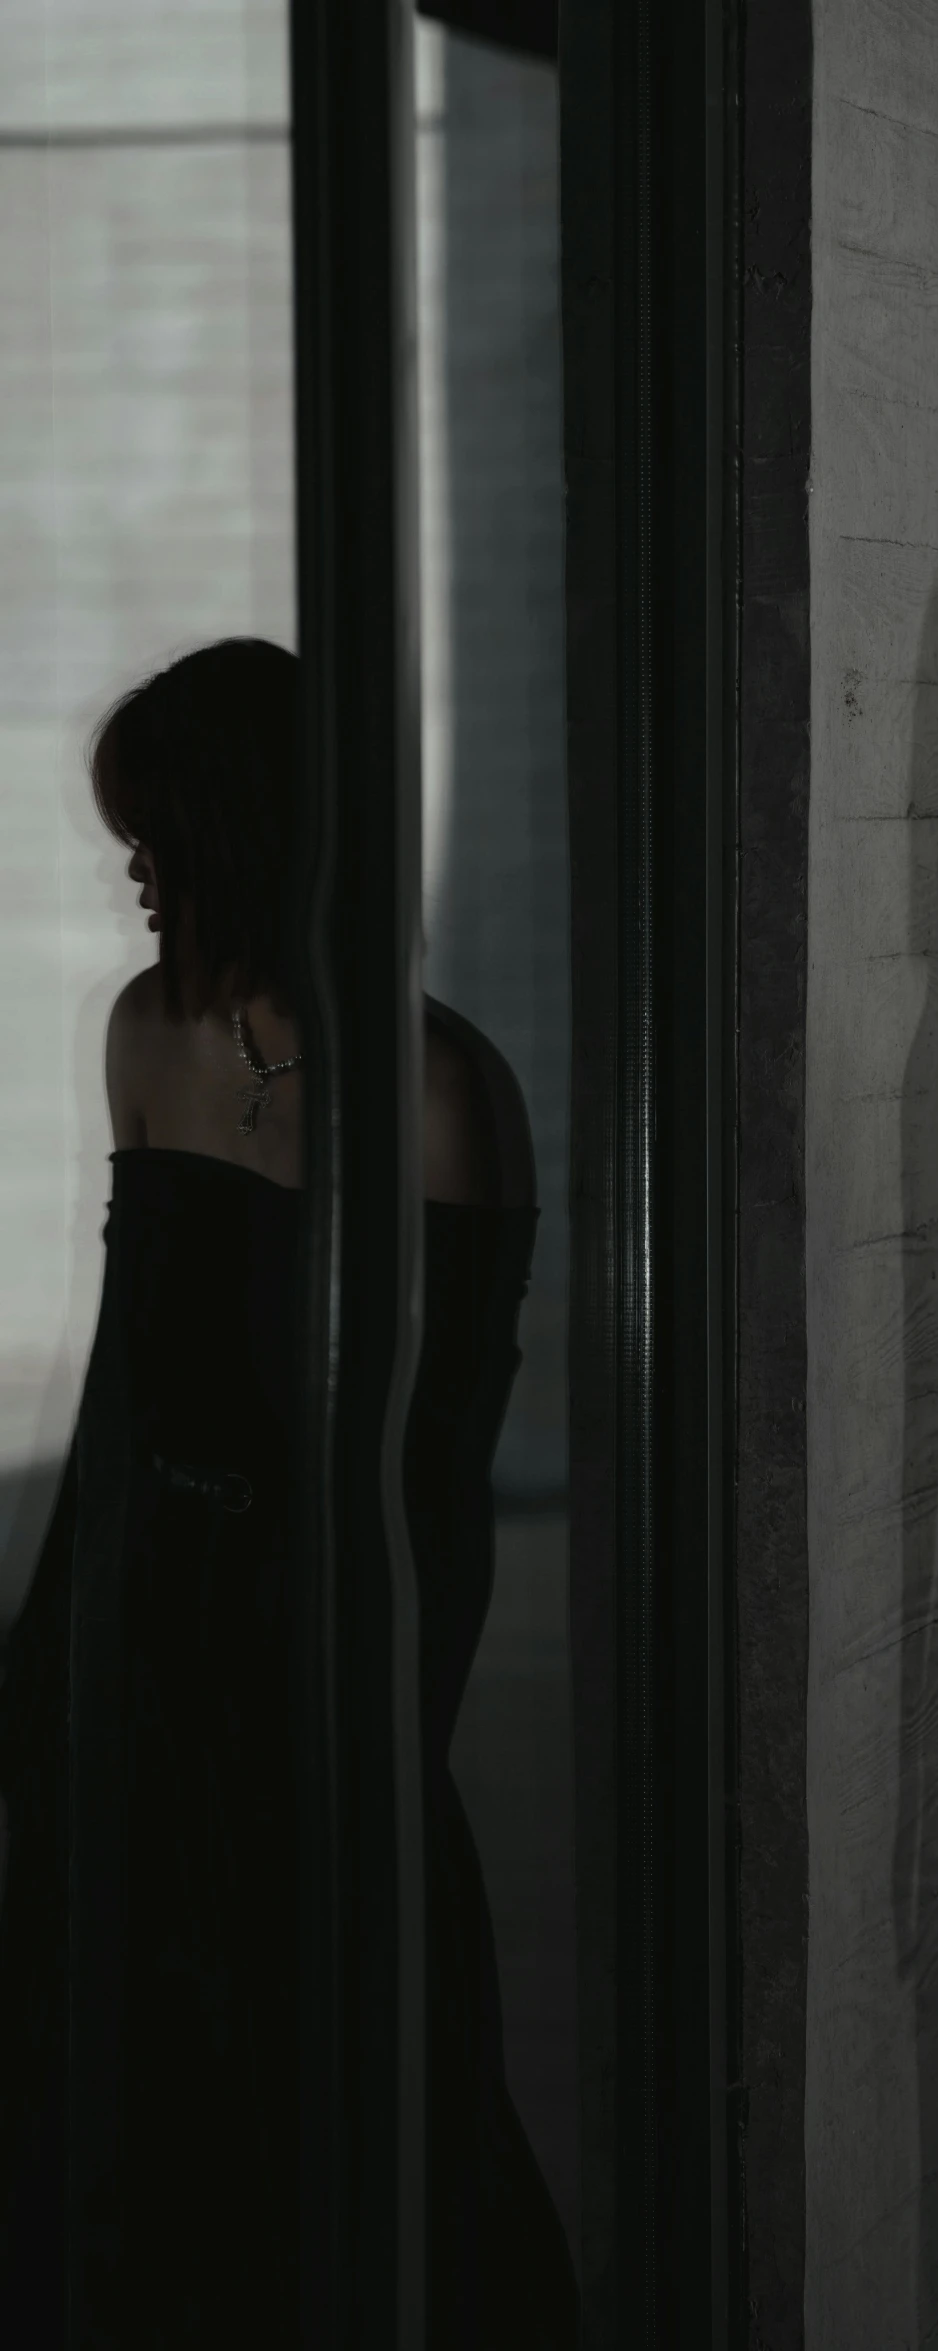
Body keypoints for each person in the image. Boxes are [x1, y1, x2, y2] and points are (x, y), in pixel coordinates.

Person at [0, 639, 578, 2347]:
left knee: (355, 2089)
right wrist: (43, 1667)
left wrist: (397, 1732)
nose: (132, 864)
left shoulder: (443, 1087)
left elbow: (450, 1462)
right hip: (148, 1615)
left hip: (320, 1635)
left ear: (242, 827)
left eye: (155, 825)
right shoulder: (151, 1034)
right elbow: (124, 1381)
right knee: (117, 2078)